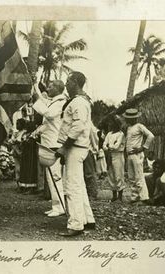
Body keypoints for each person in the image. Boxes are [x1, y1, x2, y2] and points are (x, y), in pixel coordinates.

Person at [56, 71, 95, 237]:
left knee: (72, 186)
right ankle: (87, 219)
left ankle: (76, 225)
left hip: (75, 147)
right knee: (79, 185)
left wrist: (65, 147)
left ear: (76, 83)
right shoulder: (78, 101)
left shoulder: (79, 102)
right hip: (77, 147)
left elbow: (78, 127)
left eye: (68, 81)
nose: (66, 84)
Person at [32, 79, 67, 217]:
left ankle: (61, 207)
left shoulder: (60, 102)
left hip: (54, 143)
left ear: (58, 88)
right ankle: (56, 205)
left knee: (55, 176)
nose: (48, 88)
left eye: (51, 86)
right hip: (49, 142)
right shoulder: (54, 101)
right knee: (51, 176)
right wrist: (35, 86)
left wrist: (37, 99)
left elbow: (48, 113)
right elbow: (43, 101)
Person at [123, 108, 154, 204]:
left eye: (129, 118)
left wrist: (143, 148)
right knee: (131, 177)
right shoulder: (129, 128)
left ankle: (144, 197)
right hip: (130, 154)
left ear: (135, 118)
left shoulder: (139, 126)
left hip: (137, 154)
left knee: (139, 176)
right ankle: (134, 196)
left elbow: (151, 136)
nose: (128, 120)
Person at [103, 117, 125, 202]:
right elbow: (104, 145)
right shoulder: (109, 134)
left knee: (118, 175)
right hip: (110, 155)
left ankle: (120, 196)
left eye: (112, 124)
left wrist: (109, 146)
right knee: (111, 174)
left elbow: (117, 146)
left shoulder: (121, 134)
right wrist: (108, 147)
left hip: (118, 155)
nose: (110, 125)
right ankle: (114, 195)